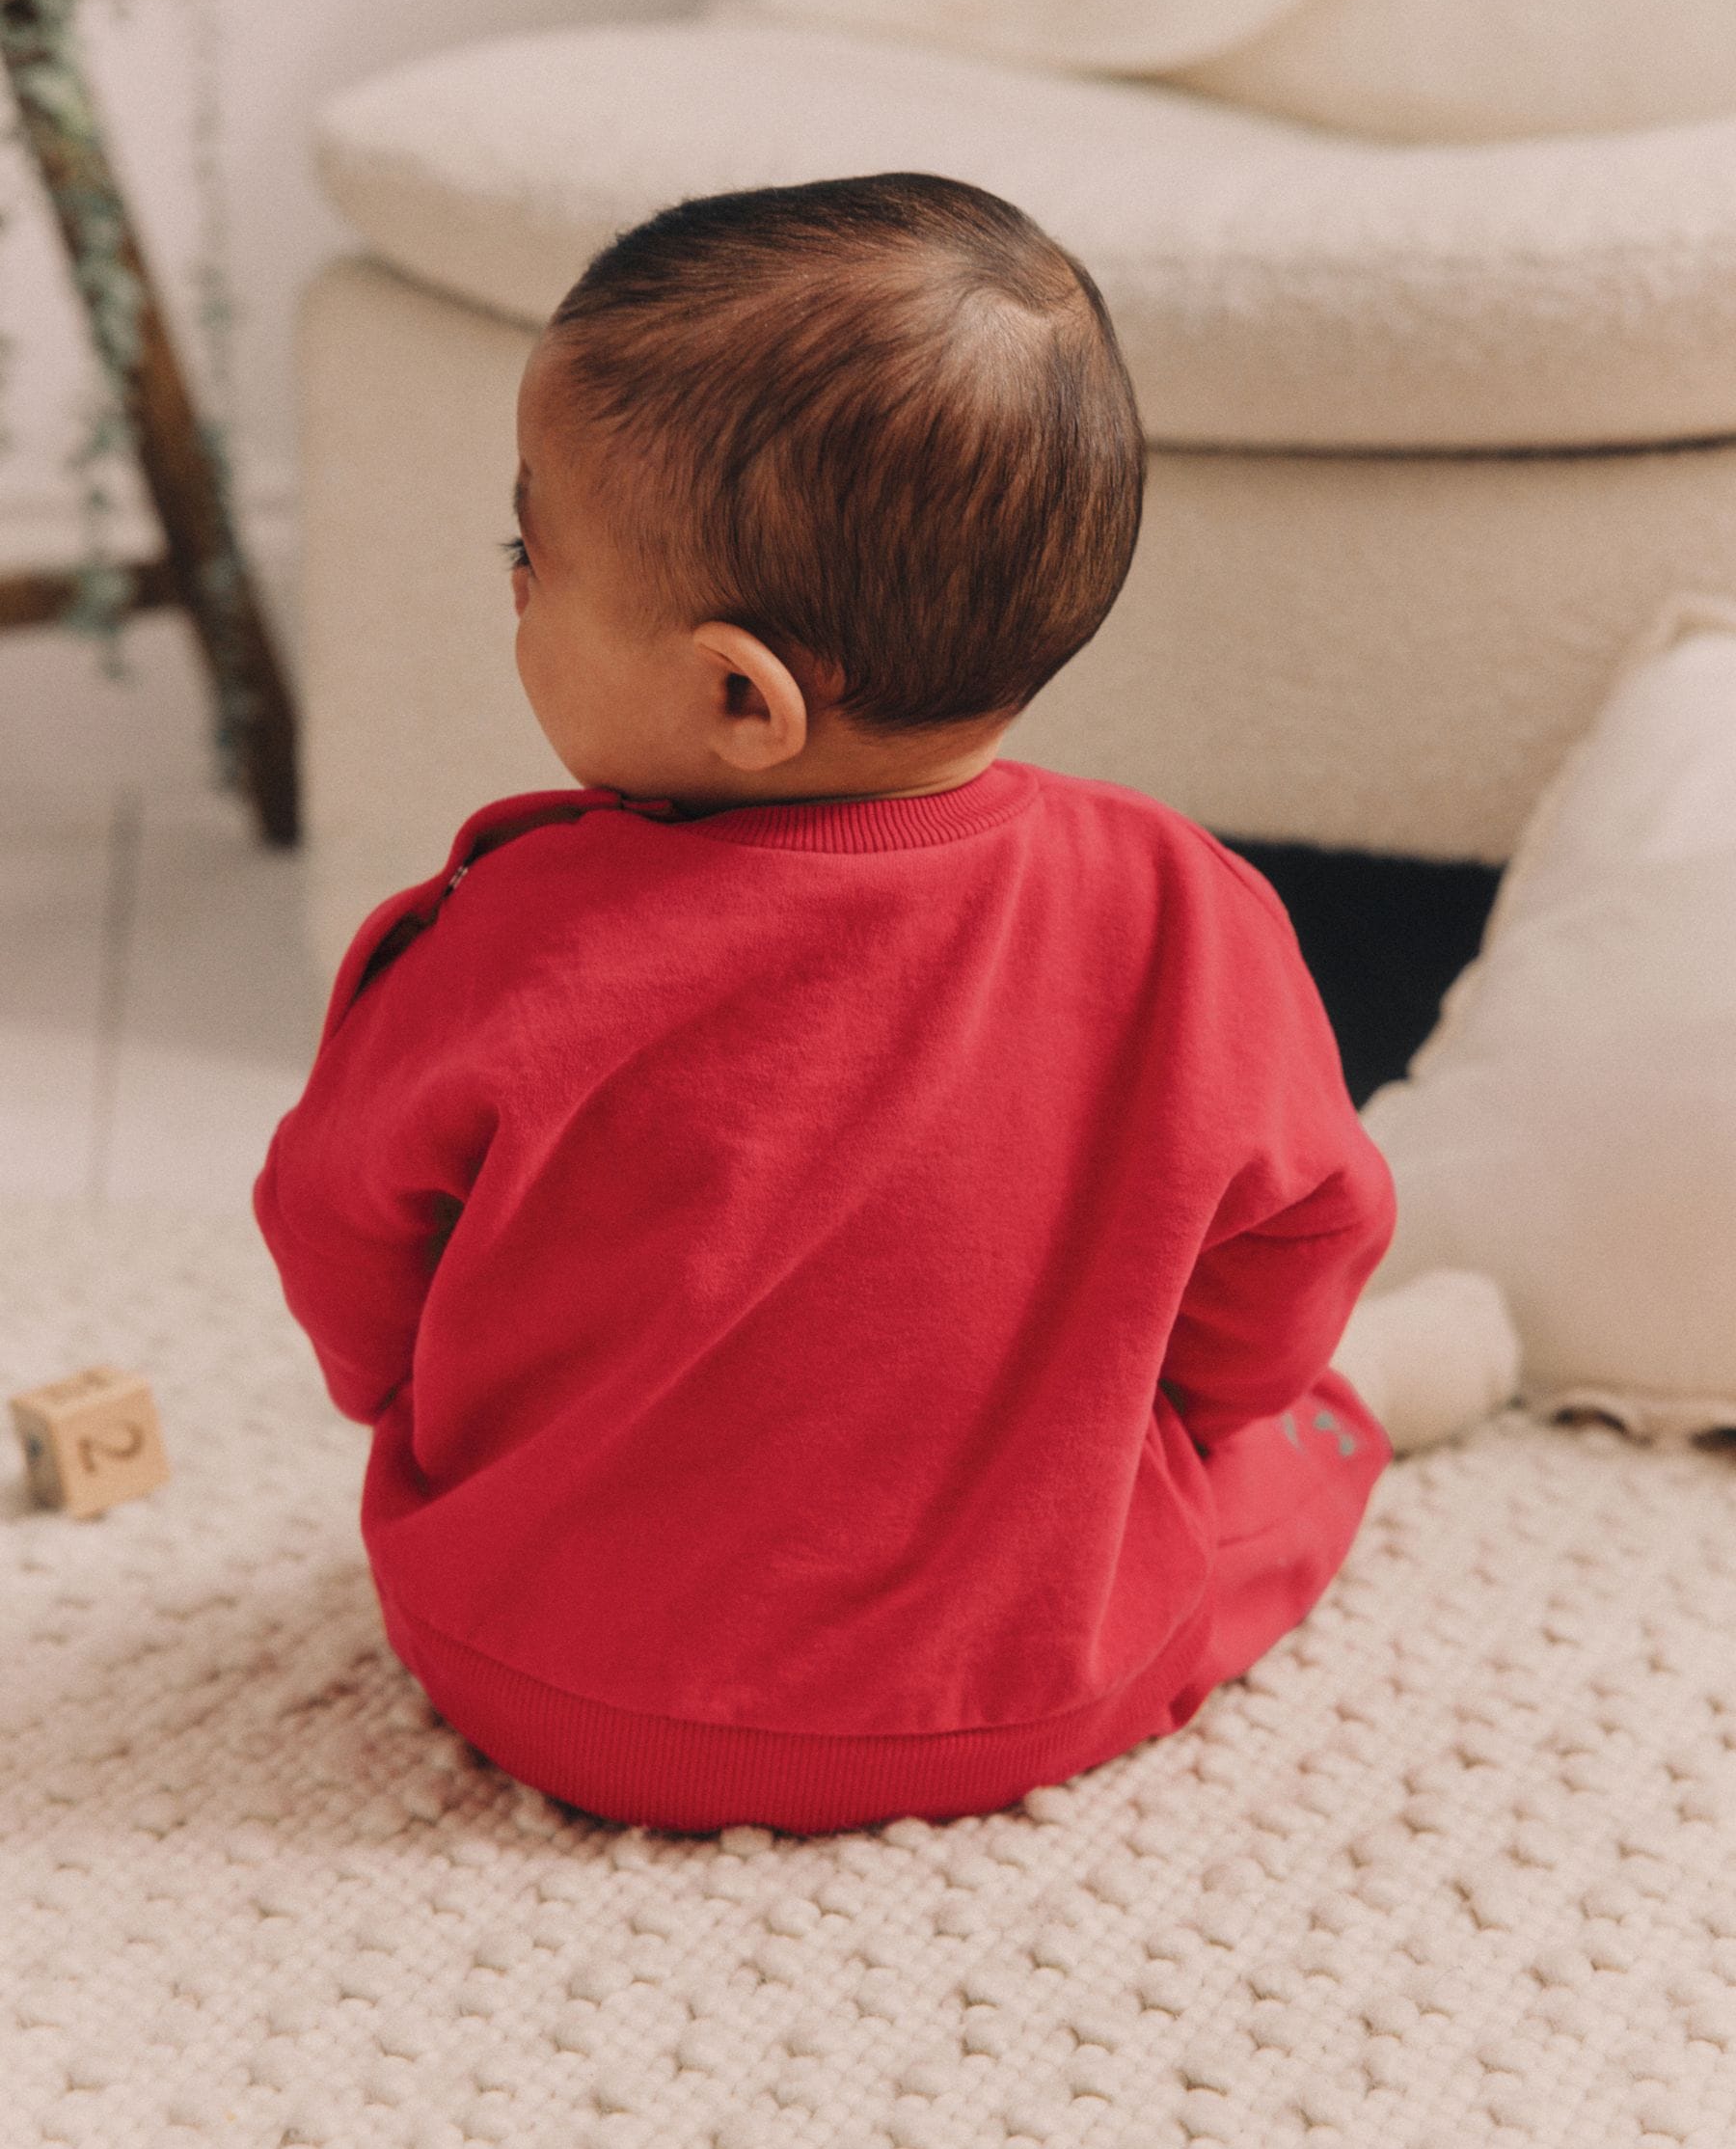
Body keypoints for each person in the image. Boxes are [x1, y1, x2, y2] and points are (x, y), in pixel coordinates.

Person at [255, 173, 1495, 1841]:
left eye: (528, 556)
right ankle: (1383, 1409)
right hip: (1036, 1683)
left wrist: (432, 1417)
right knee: (1267, 1472)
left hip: (524, 1666)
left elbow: (341, 1241)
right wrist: (1176, 1420)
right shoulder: (1193, 914)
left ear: (736, 695)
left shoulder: (502, 943)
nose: (517, 593)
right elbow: (1291, 1253)